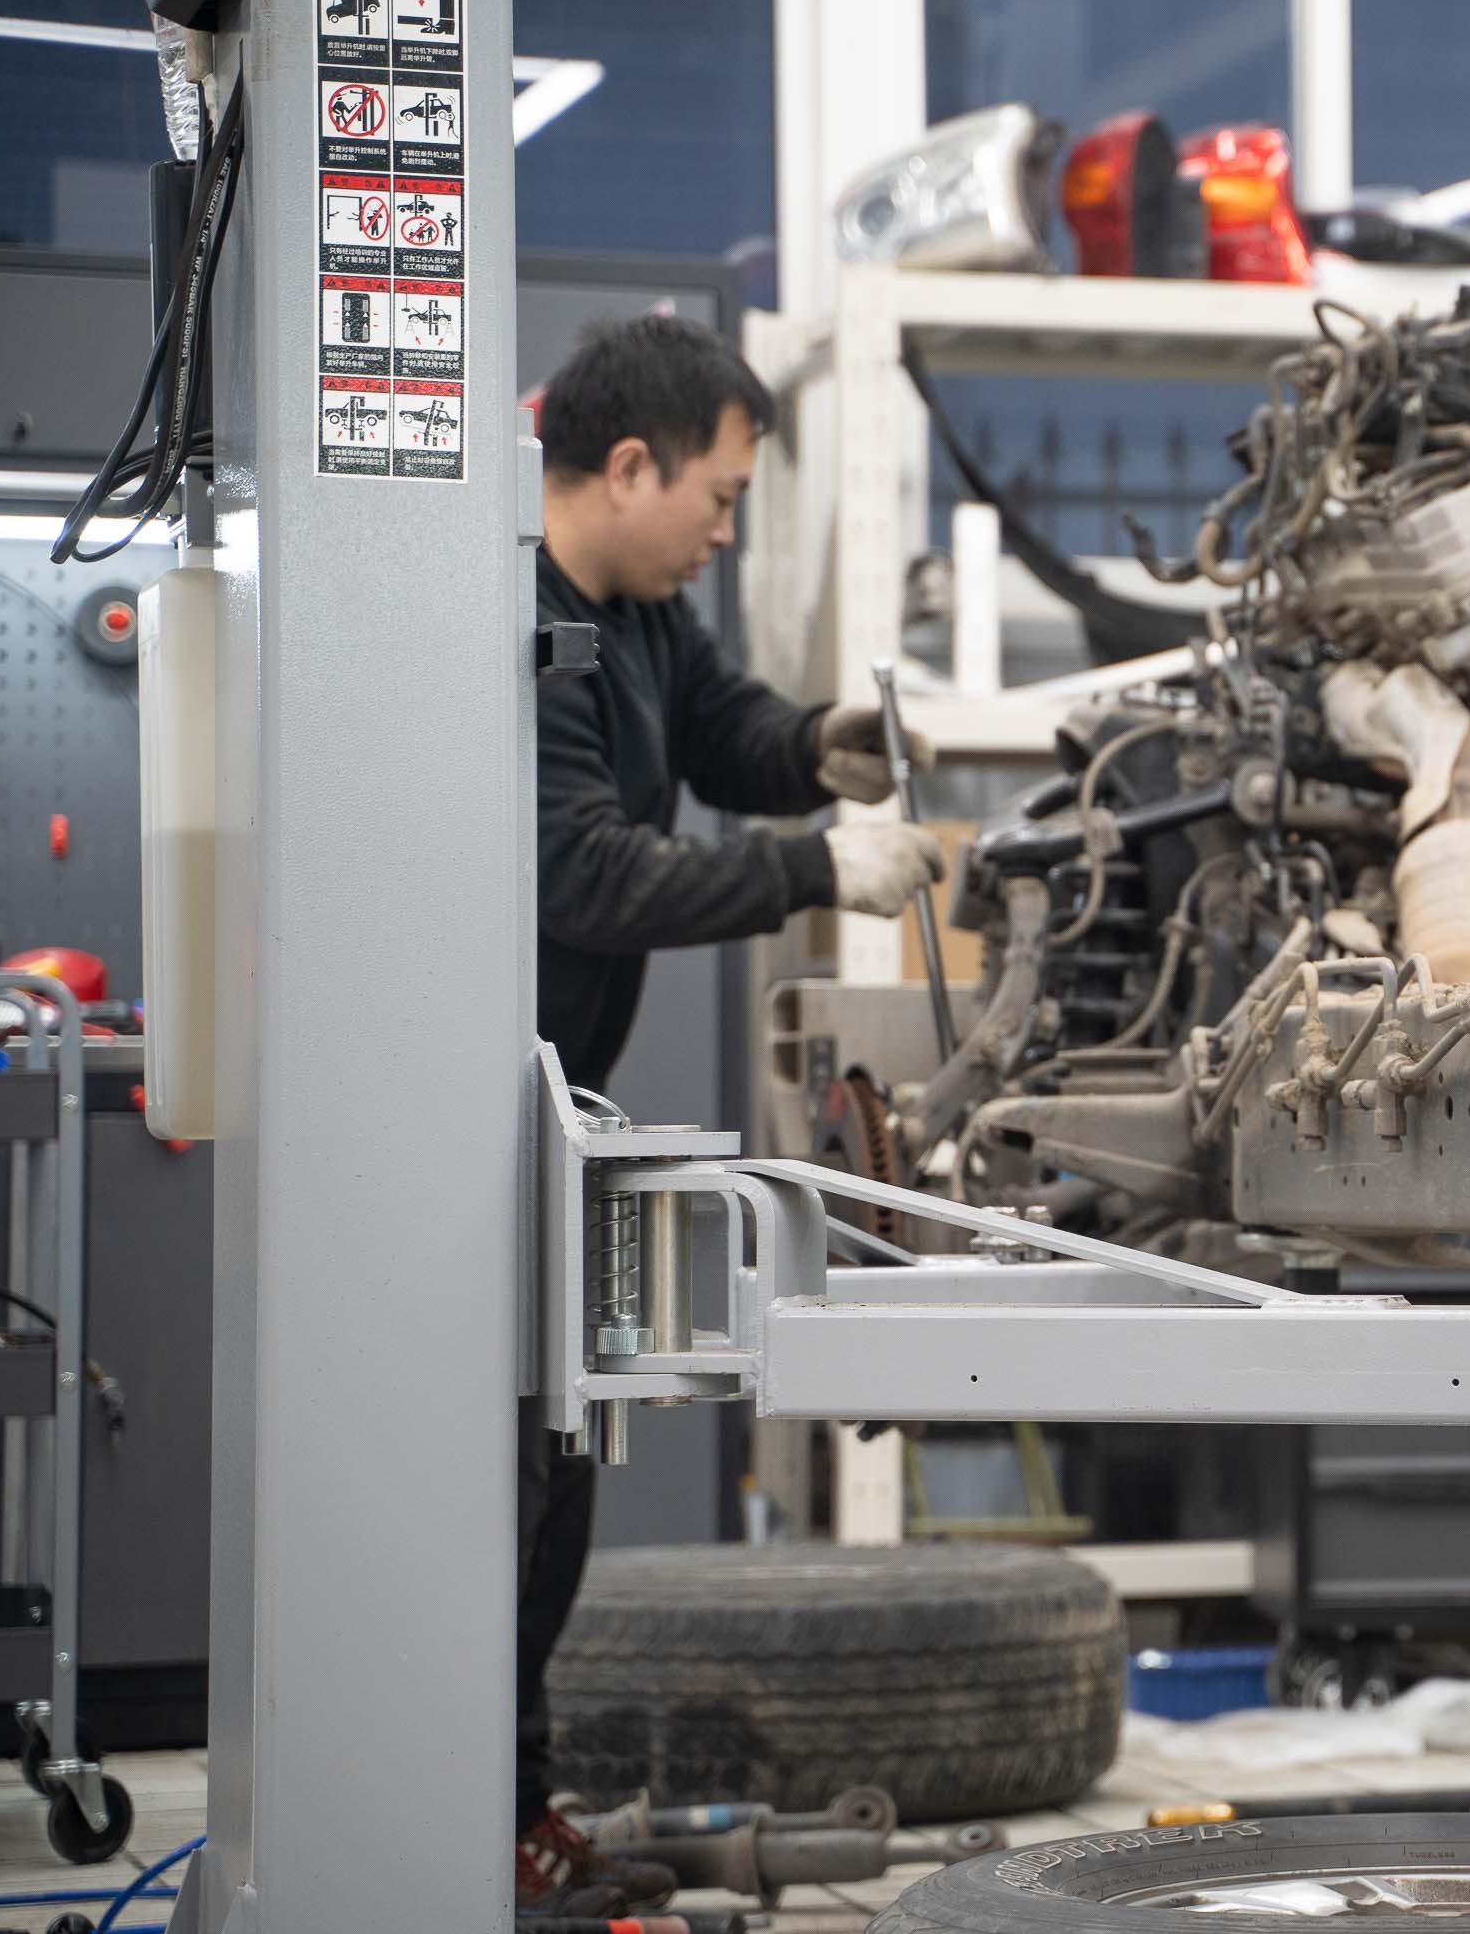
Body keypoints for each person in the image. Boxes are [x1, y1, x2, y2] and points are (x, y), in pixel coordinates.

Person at [516, 314, 947, 1913]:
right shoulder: (512, 622)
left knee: (558, 1481)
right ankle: (472, 1810)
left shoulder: (636, 613)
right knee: (505, 1492)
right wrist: (815, 871)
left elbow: (723, 735)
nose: (723, 526)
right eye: (714, 494)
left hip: (557, 1121)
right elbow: (589, 872)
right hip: (461, 1136)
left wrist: (819, 754)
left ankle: (511, 1803)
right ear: (626, 468)